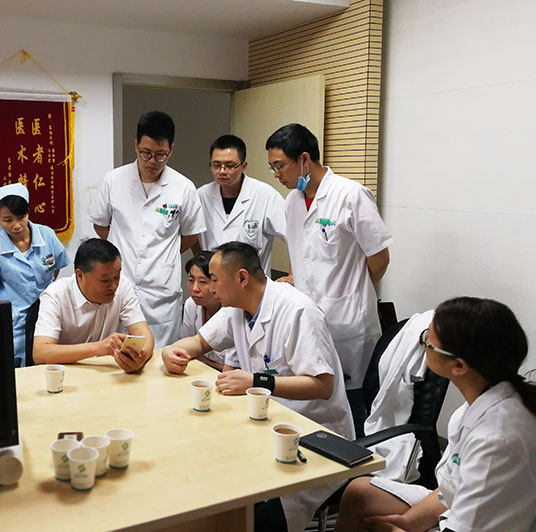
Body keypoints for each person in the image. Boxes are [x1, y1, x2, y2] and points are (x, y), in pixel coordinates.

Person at [162, 241, 354, 532]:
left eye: (214, 280)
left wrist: (256, 381)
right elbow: (198, 342)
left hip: (312, 434)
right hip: (263, 425)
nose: (210, 288)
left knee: (260, 517)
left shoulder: (298, 311)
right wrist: (173, 351)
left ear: (241, 278)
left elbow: (322, 385)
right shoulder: (236, 308)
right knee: (205, 477)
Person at [335, 297, 536, 532]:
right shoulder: (481, 403)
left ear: (459, 366)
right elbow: (452, 488)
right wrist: (409, 522)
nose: (423, 345)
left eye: (427, 341)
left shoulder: (495, 439)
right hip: (462, 510)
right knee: (360, 493)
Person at [266, 123, 392, 423]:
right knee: (313, 402)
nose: (276, 175)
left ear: (304, 160)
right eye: (272, 168)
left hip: (347, 325)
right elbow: (301, 253)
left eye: (279, 166)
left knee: (351, 405)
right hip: (308, 321)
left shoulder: (351, 195)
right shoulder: (292, 202)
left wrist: (353, 293)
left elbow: (379, 258)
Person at [88, 110, 206, 348]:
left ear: (171, 149)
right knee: (117, 352)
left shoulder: (183, 187)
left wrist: (164, 256)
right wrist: (125, 247)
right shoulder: (114, 180)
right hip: (121, 284)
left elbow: (191, 234)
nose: (152, 161)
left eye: (161, 155)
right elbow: (101, 225)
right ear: (136, 146)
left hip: (161, 292)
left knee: (161, 356)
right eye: (146, 153)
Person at [0, 183, 68, 366]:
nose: (16, 225)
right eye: (7, 220)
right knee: (21, 365)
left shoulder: (47, 235)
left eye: (21, 217)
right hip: (17, 319)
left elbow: (56, 266)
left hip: (50, 312)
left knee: (52, 360)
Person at [33, 238, 154, 373]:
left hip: (109, 373)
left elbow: (145, 335)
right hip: (67, 374)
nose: (113, 286)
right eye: (105, 280)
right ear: (80, 275)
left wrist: (140, 359)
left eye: (117, 277)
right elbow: (40, 353)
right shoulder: (56, 295)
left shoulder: (124, 287)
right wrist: (98, 348)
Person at [196, 134, 286, 274]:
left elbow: (294, 235)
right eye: (216, 165)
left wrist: (292, 274)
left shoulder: (265, 195)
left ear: (244, 166)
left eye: (230, 166)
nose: (222, 171)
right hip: (213, 281)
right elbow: (191, 234)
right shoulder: (201, 196)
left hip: (253, 283)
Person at [180, 251, 232, 371]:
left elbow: (235, 368)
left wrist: (202, 360)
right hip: (199, 371)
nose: (195, 288)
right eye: (191, 280)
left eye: (203, 282)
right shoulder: (191, 305)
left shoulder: (233, 311)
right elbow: (186, 348)